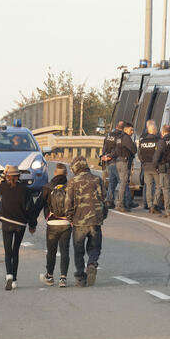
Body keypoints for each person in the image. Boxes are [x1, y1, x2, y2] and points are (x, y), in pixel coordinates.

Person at [64, 156, 107, 287]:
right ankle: (92, 264)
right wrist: (102, 216)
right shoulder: (97, 179)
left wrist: (70, 217)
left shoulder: (72, 181)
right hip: (95, 220)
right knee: (95, 247)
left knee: (78, 250)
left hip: (79, 221)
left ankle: (81, 278)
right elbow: (104, 200)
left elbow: (68, 203)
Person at [0, 165, 37, 290]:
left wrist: (4, 173)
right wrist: (32, 225)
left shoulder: (3, 187)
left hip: (6, 222)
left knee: (7, 251)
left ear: (8, 176)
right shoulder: (25, 189)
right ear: (19, 175)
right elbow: (31, 209)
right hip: (20, 224)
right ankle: (14, 279)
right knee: (15, 251)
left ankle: (9, 274)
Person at [32, 163, 71, 287]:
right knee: (65, 250)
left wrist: (32, 223)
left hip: (52, 223)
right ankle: (63, 278)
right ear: (66, 174)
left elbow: (37, 206)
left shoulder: (47, 187)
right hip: (67, 223)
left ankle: (49, 276)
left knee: (51, 251)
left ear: (54, 173)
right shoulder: (70, 187)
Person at [153, 124, 170, 218]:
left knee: (166, 190)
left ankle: (168, 212)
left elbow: (157, 155)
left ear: (163, 132)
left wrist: (155, 165)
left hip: (164, 168)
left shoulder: (162, 141)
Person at [138, 120, 162, 214]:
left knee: (148, 186)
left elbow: (139, 154)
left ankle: (150, 204)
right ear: (155, 130)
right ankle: (155, 205)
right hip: (155, 167)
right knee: (158, 186)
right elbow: (159, 154)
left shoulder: (143, 141)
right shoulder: (158, 141)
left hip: (146, 166)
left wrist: (143, 163)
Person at [114, 122, 137, 212]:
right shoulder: (127, 138)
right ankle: (120, 204)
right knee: (123, 184)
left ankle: (125, 202)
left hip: (118, 161)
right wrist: (134, 145)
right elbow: (133, 150)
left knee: (122, 184)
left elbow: (116, 150)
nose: (132, 132)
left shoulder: (119, 137)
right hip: (124, 162)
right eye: (131, 130)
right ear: (126, 129)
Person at [101, 121, 124, 208]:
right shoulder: (120, 136)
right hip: (116, 160)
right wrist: (110, 156)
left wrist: (104, 156)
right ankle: (125, 201)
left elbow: (104, 146)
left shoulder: (108, 135)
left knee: (112, 182)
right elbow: (118, 149)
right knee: (122, 182)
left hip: (108, 161)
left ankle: (109, 200)